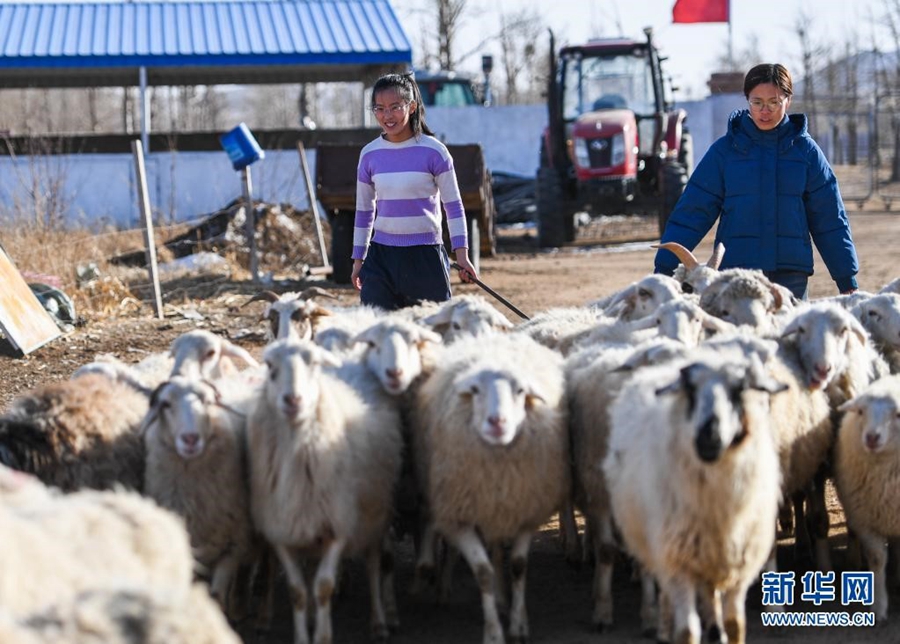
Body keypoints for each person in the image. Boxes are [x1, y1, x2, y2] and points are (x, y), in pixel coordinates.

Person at [654, 63, 859, 299]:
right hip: (737, 273)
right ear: (747, 101)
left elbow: (829, 218)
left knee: (789, 335)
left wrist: (846, 277)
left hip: (790, 276)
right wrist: (665, 268)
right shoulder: (725, 152)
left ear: (788, 100)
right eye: (757, 102)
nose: (765, 110)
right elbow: (692, 213)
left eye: (774, 102)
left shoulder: (806, 153)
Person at [350, 72, 477, 310]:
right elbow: (364, 211)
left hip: (426, 257)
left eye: (395, 107)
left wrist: (462, 255)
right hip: (381, 259)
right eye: (379, 108)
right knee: (379, 336)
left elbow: (453, 206)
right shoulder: (369, 154)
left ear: (412, 106)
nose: (387, 115)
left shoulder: (434, 151)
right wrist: (359, 259)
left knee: (429, 335)